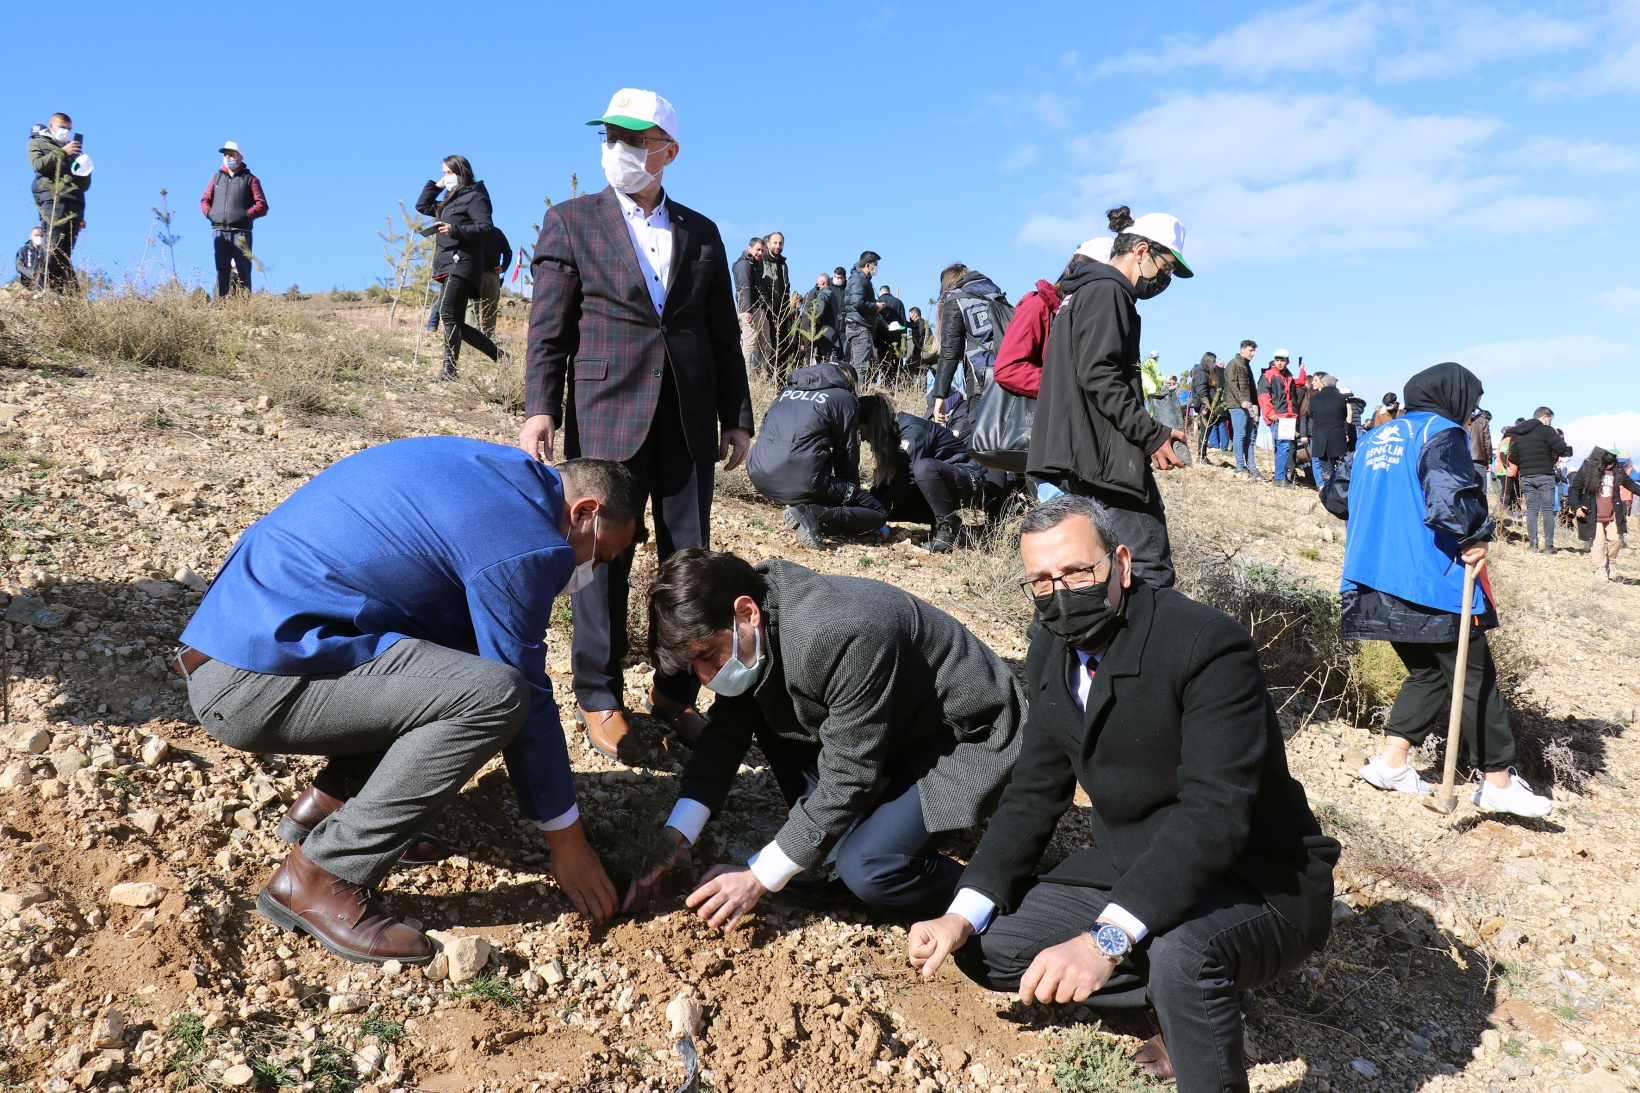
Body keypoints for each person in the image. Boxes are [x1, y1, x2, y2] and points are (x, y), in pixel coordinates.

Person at [906, 494, 1339, 1091]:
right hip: (1131, 865)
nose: (1061, 594)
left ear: (1122, 565)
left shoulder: (1205, 645)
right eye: (1041, 581)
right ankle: (1177, 981)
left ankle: (1198, 994)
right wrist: (960, 913)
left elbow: (1216, 813)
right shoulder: (1050, 652)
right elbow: (1033, 794)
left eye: (1078, 572)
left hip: (1253, 878)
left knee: (1184, 954)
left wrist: (1102, 941)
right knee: (991, 947)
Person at [175, 440, 643, 961]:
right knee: (493, 695)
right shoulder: (527, 540)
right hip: (250, 684)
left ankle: (336, 803)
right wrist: (569, 845)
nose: (590, 572)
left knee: (468, 643)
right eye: (599, 554)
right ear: (584, 512)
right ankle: (320, 875)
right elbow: (526, 696)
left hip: (238, 643)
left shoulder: (497, 473)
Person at [519, 88, 753, 764]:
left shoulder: (703, 233)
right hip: (604, 413)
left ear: (667, 151)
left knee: (687, 560)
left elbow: (721, 335)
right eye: (611, 136)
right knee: (598, 555)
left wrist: (736, 417)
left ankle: (676, 693)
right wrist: (541, 407)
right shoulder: (570, 222)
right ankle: (598, 692)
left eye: (633, 138)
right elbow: (548, 332)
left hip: (686, 418)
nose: (618, 149)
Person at [626, 550, 1026, 923]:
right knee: (771, 716)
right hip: (895, 727)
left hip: (967, 735)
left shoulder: (837, 633)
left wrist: (758, 876)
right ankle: (837, 858)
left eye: (709, 655)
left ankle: (1010, 901)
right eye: (694, 666)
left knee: (869, 869)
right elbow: (724, 736)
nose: (707, 677)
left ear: (746, 612)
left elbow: (850, 773)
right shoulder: (759, 622)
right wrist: (675, 837)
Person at [1325, 362, 1553, 818]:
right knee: (1476, 679)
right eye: (1471, 402)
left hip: (1371, 581)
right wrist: (1475, 533)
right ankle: (1498, 783)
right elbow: (1449, 497)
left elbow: (1335, 497)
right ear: (1453, 397)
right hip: (1428, 581)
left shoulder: (1375, 436)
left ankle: (1391, 763)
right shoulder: (1440, 431)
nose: (1472, 413)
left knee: (1428, 672)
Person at [1029, 206, 1193, 588]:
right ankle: (1148, 650)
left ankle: (1047, 647)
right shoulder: (1109, 293)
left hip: (1073, 456)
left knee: (1079, 573)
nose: (1165, 280)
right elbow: (1099, 376)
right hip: (1100, 463)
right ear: (1140, 251)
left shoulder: (1083, 292)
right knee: (1148, 569)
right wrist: (1151, 434)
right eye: (1166, 268)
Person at [746, 361, 884, 548]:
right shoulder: (843, 398)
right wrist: (852, 498)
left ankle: (808, 511)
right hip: (803, 482)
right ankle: (814, 514)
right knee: (877, 512)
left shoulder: (785, 393)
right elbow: (847, 454)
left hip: (760, 476)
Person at [857, 392, 1003, 553]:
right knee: (890, 502)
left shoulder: (912, 431)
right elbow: (888, 485)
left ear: (872, 423)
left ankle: (946, 530)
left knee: (923, 468)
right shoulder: (892, 434)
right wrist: (868, 512)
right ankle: (945, 521)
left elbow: (906, 477)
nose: (862, 438)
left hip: (969, 481)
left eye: (860, 430)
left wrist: (878, 513)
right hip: (943, 484)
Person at [416, 155, 500, 381]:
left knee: (448, 315)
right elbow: (422, 205)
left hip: (463, 262)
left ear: (462, 172)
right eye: (444, 173)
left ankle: (449, 370)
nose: (446, 178)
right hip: (446, 263)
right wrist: (438, 185)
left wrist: (454, 230)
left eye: (449, 173)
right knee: (455, 320)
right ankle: (499, 356)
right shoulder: (449, 199)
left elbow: (485, 228)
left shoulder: (475, 195)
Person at [992, 240, 1110, 399]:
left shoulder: (1088, 314)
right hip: (1043, 416)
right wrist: (1070, 386)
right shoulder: (1038, 306)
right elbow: (1008, 368)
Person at [930, 263, 1011, 429]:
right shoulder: (996, 292)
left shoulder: (956, 299)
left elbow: (950, 352)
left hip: (981, 377)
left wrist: (940, 396)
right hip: (1010, 372)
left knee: (981, 442)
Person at [27, 114, 90, 291]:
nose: (66, 132)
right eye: (62, 127)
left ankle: (63, 292)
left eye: (69, 129)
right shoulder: (38, 143)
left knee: (65, 251)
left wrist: (84, 168)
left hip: (75, 203)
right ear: (51, 125)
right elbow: (39, 165)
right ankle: (44, 288)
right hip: (52, 199)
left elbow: (83, 186)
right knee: (53, 245)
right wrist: (62, 152)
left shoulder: (73, 149)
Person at [199, 141, 268, 298]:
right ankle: (220, 305)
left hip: (241, 232)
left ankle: (244, 306)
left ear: (240, 157)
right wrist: (211, 214)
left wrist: (245, 216)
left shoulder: (250, 179)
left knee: (243, 270)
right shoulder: (216, 178)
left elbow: (262, 205)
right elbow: (204, 200)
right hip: (219, 231)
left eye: (231, 154)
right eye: (225, 155)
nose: (228, 157)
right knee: (222, 269)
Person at [1507, 406, 1572, 553]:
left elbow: (1512, 456)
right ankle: (1548, 546)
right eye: (1550, 419)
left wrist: (1525, 463)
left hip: (1526, 475)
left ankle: (1533, 545)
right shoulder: (1547, 430)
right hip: (1545, 474)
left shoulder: (1518, 432)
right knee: (1547, 510)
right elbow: (1562, 449)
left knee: (1532, 510)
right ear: (1545, 417)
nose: (1550, 423)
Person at [1570, 444, 1639, 581]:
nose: (1612, 461)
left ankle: (1610, 562)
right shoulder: (1587, 468)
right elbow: (1574, 489)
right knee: (1598, 542)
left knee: (1617, 539)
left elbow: (1631, 485)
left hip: (1613, 513)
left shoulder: (1617, 469)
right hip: (1593, 513)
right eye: (1609, 456)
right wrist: (1577, 507)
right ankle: (1600, 569)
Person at [1257, 351, 1306, 487]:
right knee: (1283, 446)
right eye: (1277, 360)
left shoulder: (1288, 376)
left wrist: (1302, 369)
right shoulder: (1268, 375)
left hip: (1289, 416)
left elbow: (1301, 382)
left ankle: (1280, 476)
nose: (1279, 363)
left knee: (1284, 446)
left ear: (1287, 361)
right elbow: (1263, 396)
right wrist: (1270, 413)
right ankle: (1280, 478)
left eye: (1282, 360)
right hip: (1278, 416)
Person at [1307, 374, 1350, 491]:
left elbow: (1312, 415)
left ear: (1323, 384)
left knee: (1325, 465)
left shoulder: (1314, 399)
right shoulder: (1341, 398)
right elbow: (1344, 416)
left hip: (1321, 437)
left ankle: (1329, 488)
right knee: (1340, 464)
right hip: (1337, 436)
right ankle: (1339, 488)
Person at [1224, 340, 1260, 478]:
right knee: (1240, 435)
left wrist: (1255, 405)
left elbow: (1250, 388)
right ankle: (1240, 466)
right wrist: (1241, 401)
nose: (1253, 353)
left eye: (1254, 351)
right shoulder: (1233, 364)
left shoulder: (1246, 365)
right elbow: (1231, 384)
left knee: (1250, 437)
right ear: (1242, 350)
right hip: (1237, 405)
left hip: (1248, 405)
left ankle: (1252, 468)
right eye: (1251, 350)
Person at [733, 236, 769, 373]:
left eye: (762, 251)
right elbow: (744, 287)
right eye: (758, 250)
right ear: (749, 248)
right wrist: (747, 310)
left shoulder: (753, 265)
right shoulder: (744, 264)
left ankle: (761, 379)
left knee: (766, 346)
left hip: (759, 309)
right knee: (749, 346)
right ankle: (747, 380)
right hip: (750, 310)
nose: (760, 253)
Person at [843, 252, 883, 373]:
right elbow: (857, 302)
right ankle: (858, 392)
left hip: (860, 326)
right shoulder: (859, 279)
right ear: (867, 265)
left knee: (864, 366)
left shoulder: (860, 278)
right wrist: (875, 306)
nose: (876, 268)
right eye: (875, 265)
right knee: (861, 368)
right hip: (859, 327)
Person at [761, 232, 793, 376]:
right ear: (768, 244)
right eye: (775, 243)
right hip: (765, 311)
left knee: (782, 346)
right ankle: (767, 379)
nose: (777, 246)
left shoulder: (783, 264)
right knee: (767, 346)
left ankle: (780, 379)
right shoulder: (760, 260)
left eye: (780, 243)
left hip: (782, 312)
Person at [472, 224, 513, 339]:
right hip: (474, 274)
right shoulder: (470, 230)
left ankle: (488, 337)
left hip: (492, 275)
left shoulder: (496, 232)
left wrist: (503, 267)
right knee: (472, 307)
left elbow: (508, 252)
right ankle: (472, 336)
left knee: (490, 307)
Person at [1189, 352, 1224, 462]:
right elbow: (1201, 391)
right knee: (1204, 432)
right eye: (1213, 362)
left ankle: (1203, 455)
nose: (1215, 364)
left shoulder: (1206, 372)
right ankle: (1201, 457)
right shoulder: (1201, 373)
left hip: (1210, 405)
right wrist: (1206, 406)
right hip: (1205, 406)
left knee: (1207, 431)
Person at [1466, 408, 1494, 504]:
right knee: (1481, 493)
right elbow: (1487, 442)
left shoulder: (1459, 418)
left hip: (1463, 459)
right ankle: (1483, 518)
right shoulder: (1482, 420)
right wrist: (1489, 461)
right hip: (1479, 460)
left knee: (1465, 491)